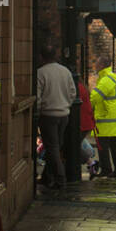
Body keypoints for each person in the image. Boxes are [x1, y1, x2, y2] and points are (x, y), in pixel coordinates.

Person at [35, 43, 77, 192]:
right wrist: (65, 105)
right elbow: (73, 93)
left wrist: (38, 113)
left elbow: (38, 98)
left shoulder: (40, 73)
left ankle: (60, 179)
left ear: (41, 57)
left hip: (48, 116)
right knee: (56, 147)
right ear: (55, 55)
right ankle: (48, 176)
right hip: (64, 115)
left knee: (52, 148)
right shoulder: (65, 71)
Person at [90, 63, 116, 180]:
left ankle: (106, 169)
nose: (94, 66)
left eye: (96, 64)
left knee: (102, 146)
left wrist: (86, 105)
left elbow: (95, 97)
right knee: (115, 146)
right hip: (114, 120)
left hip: (106, 120)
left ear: (101, 66)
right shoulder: (111, 77)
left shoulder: (106, 80)